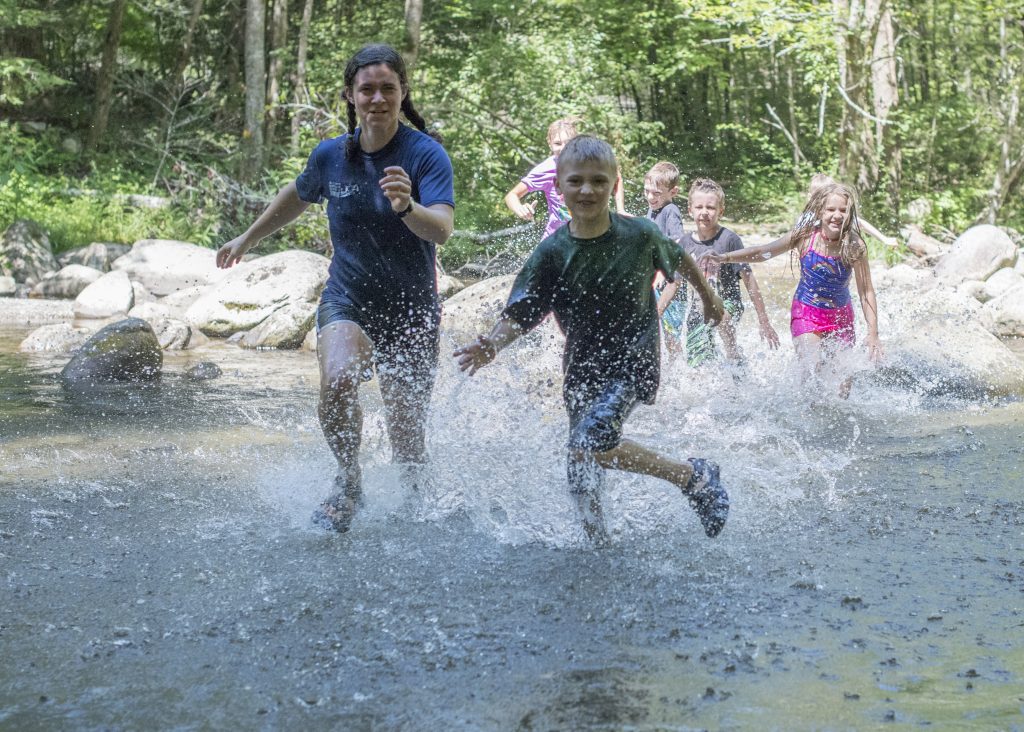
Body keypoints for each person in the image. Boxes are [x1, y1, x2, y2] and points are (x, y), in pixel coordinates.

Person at [216, 43, 455, 531]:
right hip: (349, 297)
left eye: (388, 88)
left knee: (409, 439)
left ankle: (412, 512)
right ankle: (349, 482)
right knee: (340, 378)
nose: (377, 98)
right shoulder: (331, 155)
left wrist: (409, 206)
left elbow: (442, 229)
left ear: (402, 92)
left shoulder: (425, 155)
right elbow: (298, 194)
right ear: (350, 94)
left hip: (412, 309)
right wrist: (247, 237)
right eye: (366, 89)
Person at [455, 136, 730, 544]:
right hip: (581, 366)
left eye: (598, 181)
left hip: (634, 361)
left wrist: (710, 300)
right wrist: (492, 344)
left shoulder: (638, 234)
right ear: (559, 186)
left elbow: (679, 258)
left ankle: (691, 477)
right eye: (577, 181)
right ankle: (598, 548)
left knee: (590, 443)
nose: (587, 190)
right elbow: (522, 312)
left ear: (614, 183)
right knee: (580, 470)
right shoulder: (551, 252)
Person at [703, 182, 882, 398]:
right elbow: (763, 252)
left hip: (840, 315)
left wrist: (873, 334)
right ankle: (808, 419)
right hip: (807, 311)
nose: (837, 215)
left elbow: (866, 292)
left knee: (843, 383)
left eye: (843, 210)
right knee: (811, 370)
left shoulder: (854, 246)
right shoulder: (805, 236)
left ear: (850, 213)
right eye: (831, 210)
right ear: (819, 211)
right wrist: (724, 258)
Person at [664, 178, 779, 367]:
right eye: (699, 207)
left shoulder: (729, 240)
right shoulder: (684, 244)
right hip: (697, 310)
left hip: (729, 303)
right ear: (690, 210)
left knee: (721, 317)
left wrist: (763, 320)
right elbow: (673, 284)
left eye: (710, 208)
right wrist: (656, 312)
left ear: (721, 211)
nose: (704, 212)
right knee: (698, 367)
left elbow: (749, 281)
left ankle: (734, 356)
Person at [503, 118, 627, 239]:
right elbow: (512, 195)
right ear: (549, 143)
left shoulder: (590, 160)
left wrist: (620, 209)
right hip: (556, 239)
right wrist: (520, 209)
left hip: (590, 235)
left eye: (568, 142)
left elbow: (617, 176)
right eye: (557, 143)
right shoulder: (546, 169)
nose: (563, 148)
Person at [643, 161, 688, 358]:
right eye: (647, 191)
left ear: (673, 192)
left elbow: (676, 242)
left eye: (656, 193)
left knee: (671, 334)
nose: (650, 197)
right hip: (655, 281)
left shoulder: (671, 211)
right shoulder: (653, 209)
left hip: (671, 281)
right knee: (654, 328)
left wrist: (663, 269)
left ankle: (678, 369)